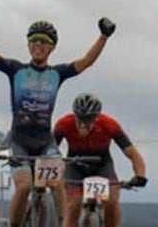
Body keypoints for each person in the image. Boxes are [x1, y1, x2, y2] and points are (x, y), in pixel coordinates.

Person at [0, 14, 115, 226]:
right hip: (20, 142)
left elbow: (86, 62)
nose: (38, 45)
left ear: (52, 47)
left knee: (57, 183)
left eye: (44, 41)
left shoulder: (57, 74)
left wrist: (104, 36)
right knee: (24, 187)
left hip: (45, 142)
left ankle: (62, 222)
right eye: (34, 41)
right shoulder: (16, 70)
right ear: (28, 45)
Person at [53, 93, 147, 227]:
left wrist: (140, 175)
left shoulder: (109, 124)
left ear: (97, 117)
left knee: (112, 201)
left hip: (102, 166)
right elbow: (50, 150)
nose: (83, 124)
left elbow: (133, 154)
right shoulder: (63, 124)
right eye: (79, 118)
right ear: (74, 115)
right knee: (73, 205)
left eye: (88, 119)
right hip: (75, 167)